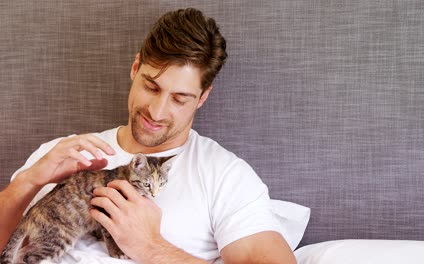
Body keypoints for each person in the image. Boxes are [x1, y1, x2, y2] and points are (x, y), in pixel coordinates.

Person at [0, 8, 296, 264]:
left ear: (203, 97)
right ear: (135, 68)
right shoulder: (60, 154)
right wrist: (27, 181)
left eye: (179, 98)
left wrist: (151, 247)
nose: (156, 111)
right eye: (151, 87)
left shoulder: (225, 176)